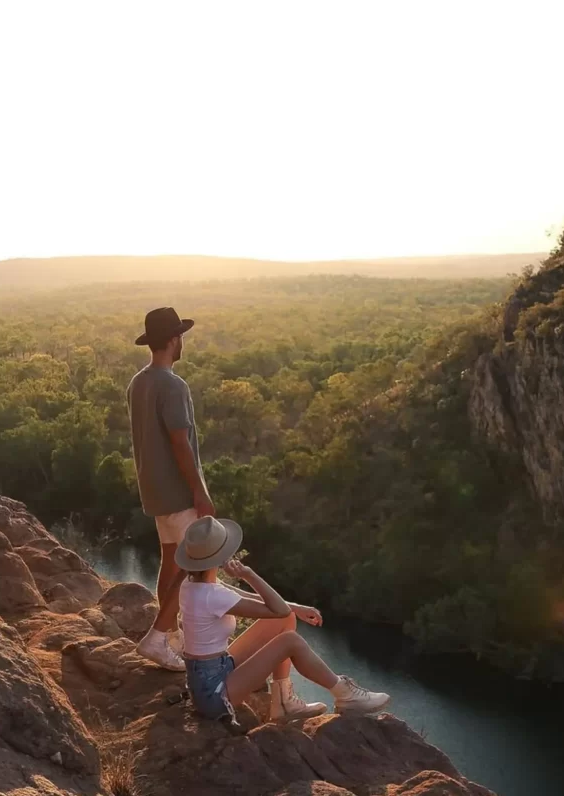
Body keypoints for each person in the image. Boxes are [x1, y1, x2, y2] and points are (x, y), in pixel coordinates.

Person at [177, 515, 391, 723]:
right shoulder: (212, 595)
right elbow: (276, 608)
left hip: (210, 675)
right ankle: (345, 693)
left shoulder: (194, 585)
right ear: (223, 557)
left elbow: (257, 602)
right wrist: (248, 575)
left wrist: (295, 608)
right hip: (214, 694)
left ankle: (283, 703)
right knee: (291, 641)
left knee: (285, 619)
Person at [126, 306, 213, 670]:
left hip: (154, 490)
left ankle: (172, 635)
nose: (182, 343)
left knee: (170, 563)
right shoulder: (173, 385)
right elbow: (180, 442)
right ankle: (160, 639)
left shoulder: (138, 382)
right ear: (174, 340)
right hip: (178, 491)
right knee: (198, 567)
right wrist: (200, 491)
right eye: (181, 337)